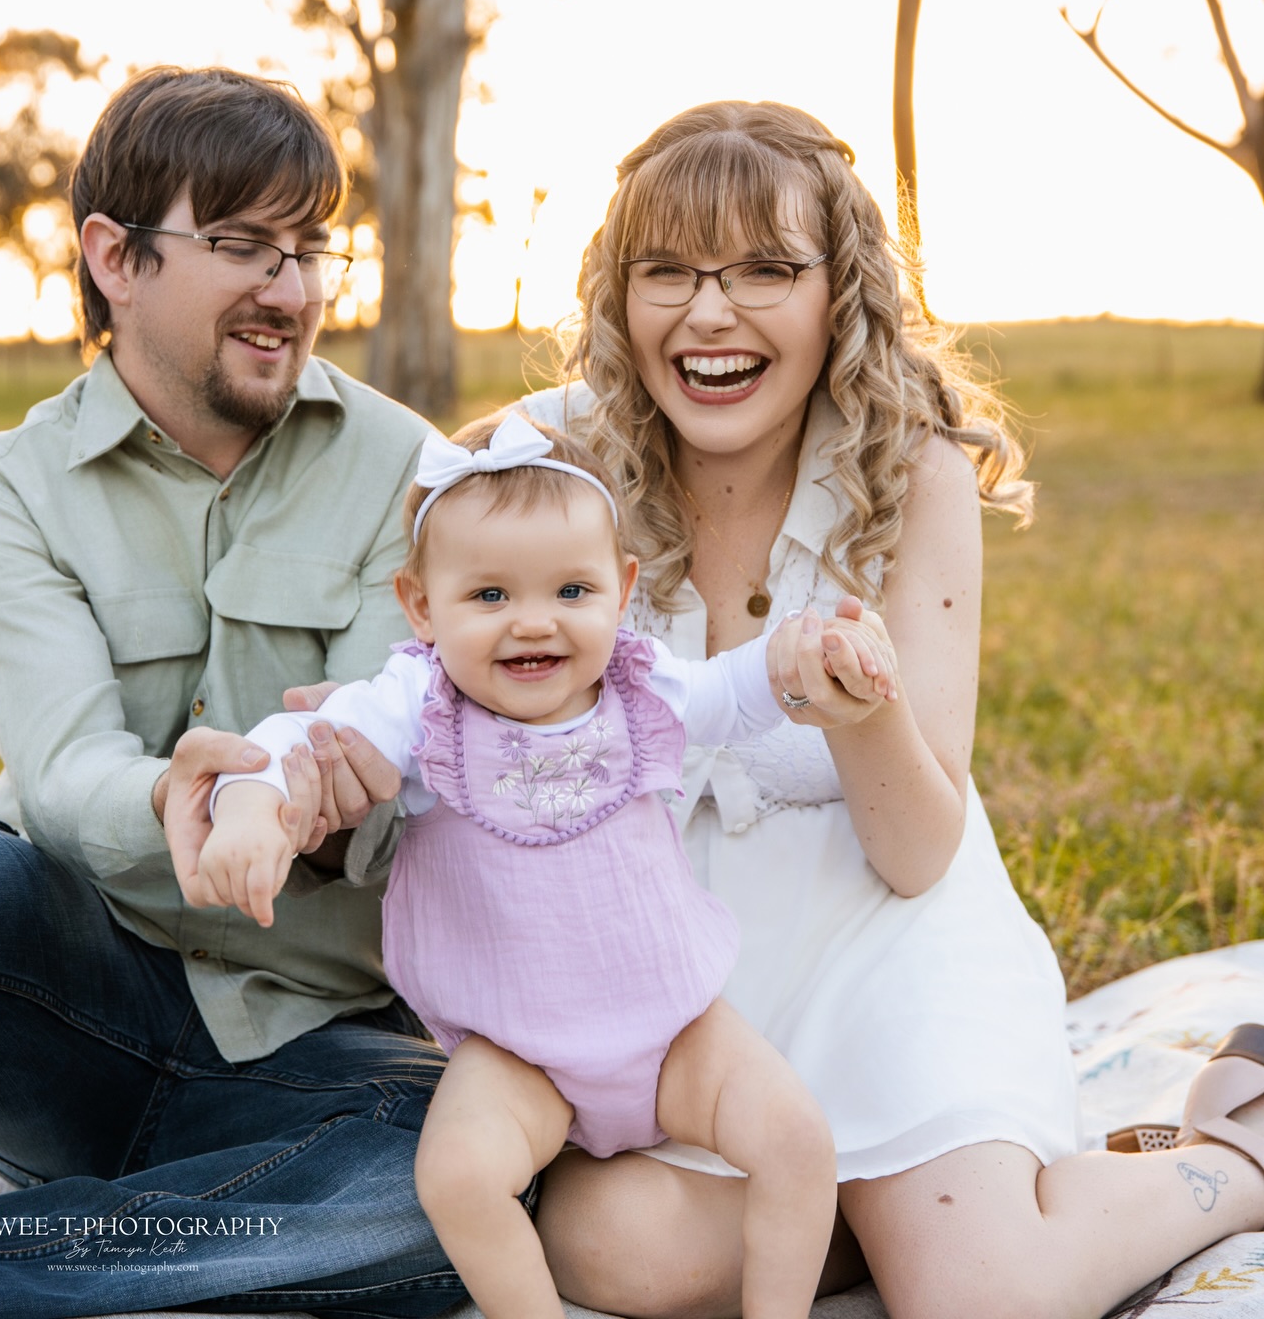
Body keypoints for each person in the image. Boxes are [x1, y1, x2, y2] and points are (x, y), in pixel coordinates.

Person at [514, 100, 1264, 1319]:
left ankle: (1231, 1159)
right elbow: (414, 595)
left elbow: (919, 853)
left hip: (893, 943)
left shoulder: (911, 472)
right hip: (686, 969)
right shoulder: (551, 462)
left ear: (839, 292)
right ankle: (875, 1220)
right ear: (619, 293)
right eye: (669, 272)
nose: (710, 313)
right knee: (610, 1249)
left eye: (765, 269)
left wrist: (859, 713)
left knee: (981, 1302)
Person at [0, 66, 462, 1319]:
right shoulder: (10, 492)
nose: (290, 289)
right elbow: (63, 772)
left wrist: (333, 809)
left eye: (308, 250)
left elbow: (403, 784)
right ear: (115, 256)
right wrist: (171, 796)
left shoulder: (413, 474)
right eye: (243, 246)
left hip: (307, 1052)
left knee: (450, 1179)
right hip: (58, 1008)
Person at [205, 410, 877, 1318]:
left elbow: (736, 687)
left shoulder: (640, 685)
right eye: (489, 596)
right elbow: (301, 736)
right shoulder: (421, 705)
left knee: (797, 1139)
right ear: (420, 606)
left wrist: (800, 653)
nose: (533, 623)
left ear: (621, 589)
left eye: (571, 590)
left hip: (673, 1029)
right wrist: (251, 805)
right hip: (519, 1056)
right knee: (456, 1176)